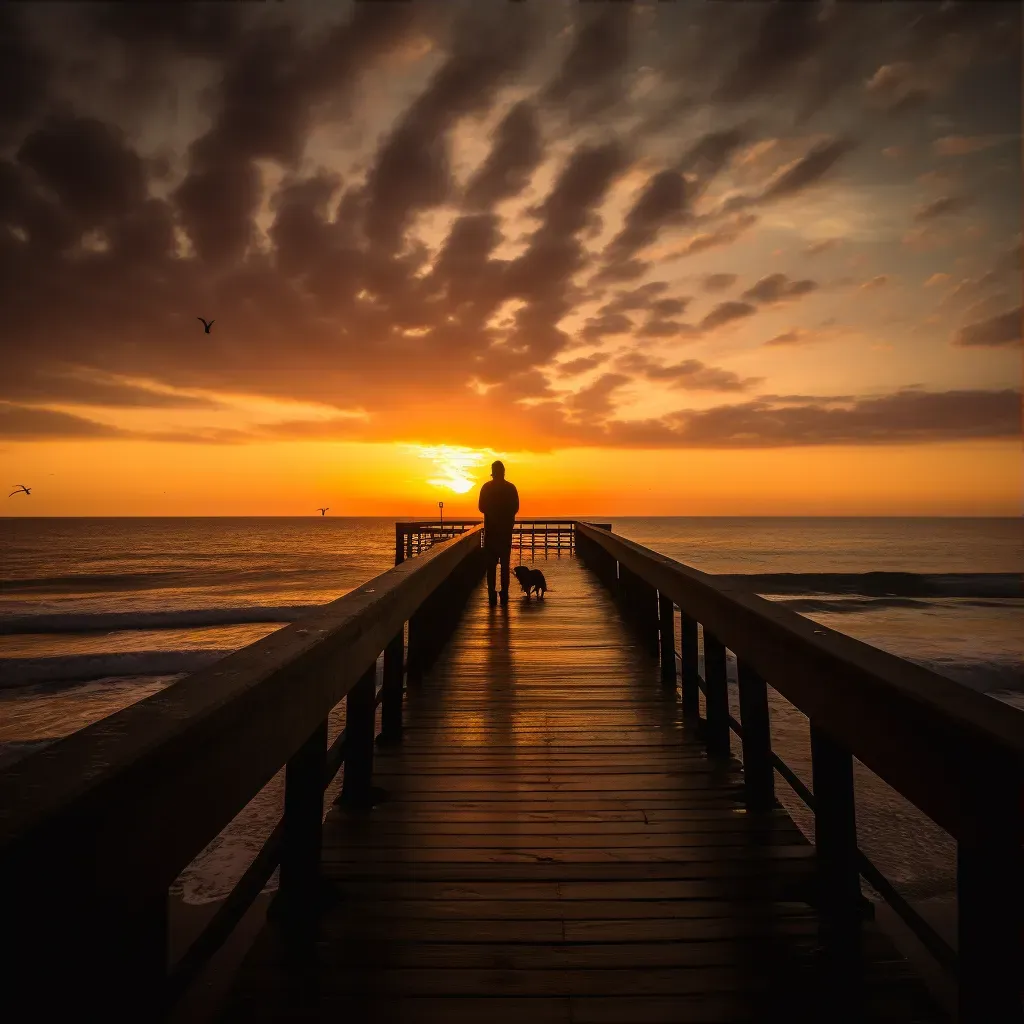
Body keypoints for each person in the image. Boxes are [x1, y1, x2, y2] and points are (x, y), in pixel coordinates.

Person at [478, 460, 519, 606]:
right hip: (505, 534)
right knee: (505, 566)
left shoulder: (486, 488)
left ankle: (491, 594)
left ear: (493, 472)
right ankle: (504, 593)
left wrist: (492, 512)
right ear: (503, 472)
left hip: (491, 533)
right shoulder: (511, 488)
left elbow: (481, 507)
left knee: (491, 566)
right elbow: (516, 508)